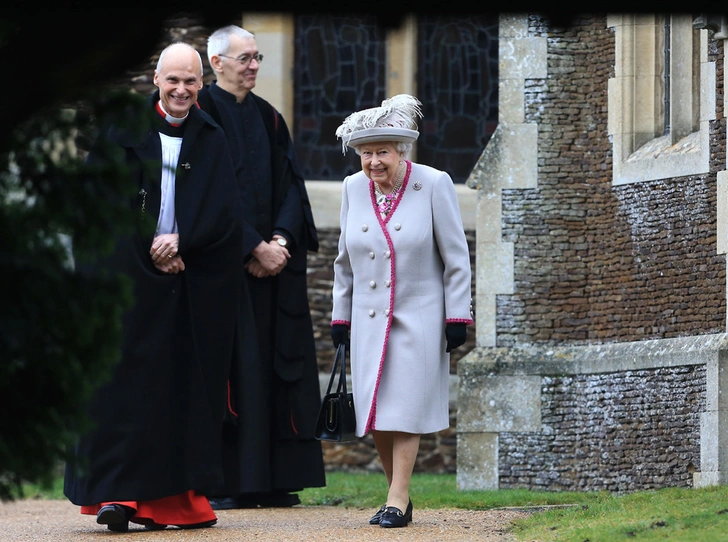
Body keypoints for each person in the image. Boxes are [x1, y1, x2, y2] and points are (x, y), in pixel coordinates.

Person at [63, 42, 245, 531]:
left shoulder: (213, 137)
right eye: (173, 80)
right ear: (156, 80)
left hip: (189, 283)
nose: (181, 89)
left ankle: (172, 502)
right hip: (127, 279)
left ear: (201, 84)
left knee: (179, 392)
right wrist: (148, 250)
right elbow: (98, 210)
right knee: (122, 390)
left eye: (191, 81)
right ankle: (117, 497)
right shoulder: (120, 132)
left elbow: (227, 215)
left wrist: (184, 243)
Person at [196, 25, 325, 509]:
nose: (253, 65)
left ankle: (273, 480)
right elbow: (207, 193)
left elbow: (293, 185)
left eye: (257, 57)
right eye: (244, 58)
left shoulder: (270, 119)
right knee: (234, 371)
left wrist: (281, 241)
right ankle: (227, 483)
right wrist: (252, 246)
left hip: (273, 274)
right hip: (225, 273)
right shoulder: (201, 114)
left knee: (276, 369)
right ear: (217, 63)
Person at [330, 95, 473, 528]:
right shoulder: (353, 188)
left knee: (405, 405)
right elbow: (343, 260)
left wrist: (457, 316)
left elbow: (456, 256)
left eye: (382, 152)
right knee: (376, 410)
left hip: (420, 316)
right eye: (366, 154)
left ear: (401, 151)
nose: (373, 162)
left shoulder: (433, 183)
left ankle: (397, 497)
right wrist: (341, 316)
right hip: (369, 319)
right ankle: (399, 499)